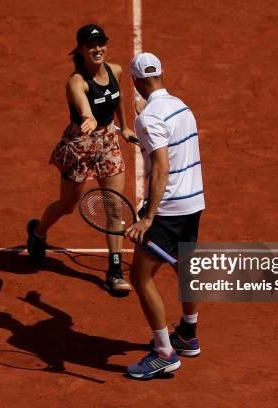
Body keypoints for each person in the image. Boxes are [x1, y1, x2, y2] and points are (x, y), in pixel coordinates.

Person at [26, 24, 136, 295]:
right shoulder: (76, 81)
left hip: (108, 142)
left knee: (114, 209)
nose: (97, 49)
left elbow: (118, 98)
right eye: (90, 46)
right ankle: (38, 233)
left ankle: (114, 272)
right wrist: (88, 116)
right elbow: (82, 103)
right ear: (81, 50)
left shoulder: (116, 70)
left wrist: (126, 126)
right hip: (80, 145)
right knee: (67, 205)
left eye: (100, 44)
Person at [124, 52, 205, 379]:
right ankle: (187, 333)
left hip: (168, 209)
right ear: (160, 74)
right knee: (186, 267)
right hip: (193, 203)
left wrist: (147, 217)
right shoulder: (182, 107)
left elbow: (160, 167)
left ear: (136, 82)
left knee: (140, 278)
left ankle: (164, 353)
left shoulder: (149, 118)